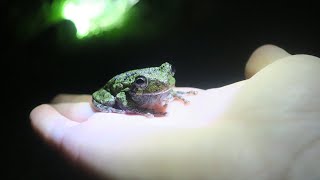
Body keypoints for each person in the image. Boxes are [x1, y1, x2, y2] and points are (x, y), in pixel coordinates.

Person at [30, 44, 320, 180]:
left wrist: (173, 93)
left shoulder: (163, 82)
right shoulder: (128, 88)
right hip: (115, 90)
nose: (165, 83)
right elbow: (116, 95)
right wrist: (132, 110)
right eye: (146, 83)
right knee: (104, 100)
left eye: (169, 76)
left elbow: (164, 83)